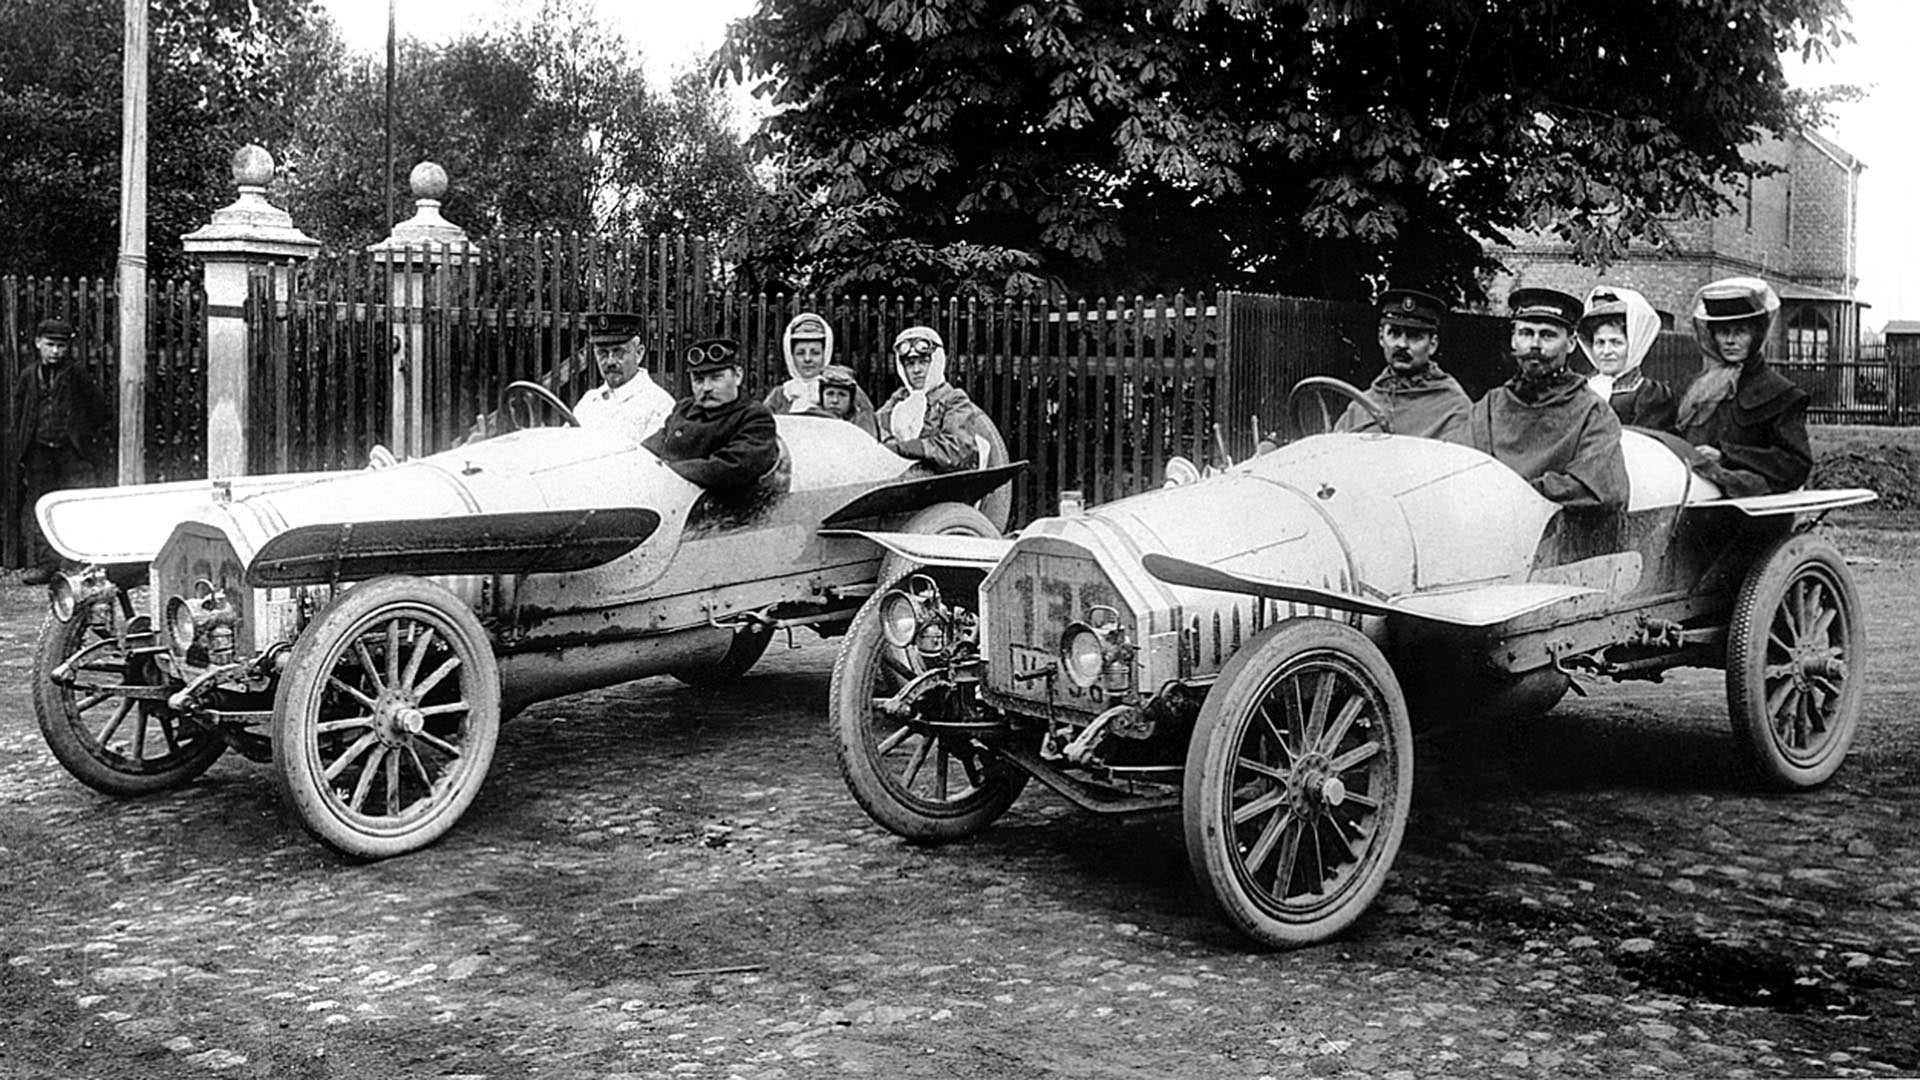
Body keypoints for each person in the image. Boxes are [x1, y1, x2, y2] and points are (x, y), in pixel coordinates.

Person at [1459, 287, 1629, 510]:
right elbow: (1462, 471)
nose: (1535, 345)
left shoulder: (1592, 411)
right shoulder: (1490, 406)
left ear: (1570, 343)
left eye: (1548, 335)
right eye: (1526, 333)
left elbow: (1598, 488)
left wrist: (1514, 492)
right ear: (1513, 339)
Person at [1672, 277, 1811, 496]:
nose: (1730, 340)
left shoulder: (1781, 393)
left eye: (1741, 331)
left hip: (1750, 507)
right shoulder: (1693, 388)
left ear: (1756, 335)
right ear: (1712, 335)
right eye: (1723, 331)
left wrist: (1725, 456)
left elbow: (1795, 464)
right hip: (1690, 495)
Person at [10, 318, 107, 584]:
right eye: (50, 345)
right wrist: (24, 448)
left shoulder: (78, 375)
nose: (55, 351)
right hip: (39, 452)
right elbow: (19, 413)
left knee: (77, 505)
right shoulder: (29, 376)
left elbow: (99, 410)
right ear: (38, 344)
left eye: (61, 346)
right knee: (42, 505)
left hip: (73, 453)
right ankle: (47, 565)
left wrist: (82, 437)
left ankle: (79, 565)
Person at [642, 337, 780, 492]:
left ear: (738, 376)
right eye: (699, 380)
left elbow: (733, 466)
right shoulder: (684, 409)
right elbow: (649, 451)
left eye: (716, 378)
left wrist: (667, 470)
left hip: (725, 509)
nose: (706, 387)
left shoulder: (755, 417)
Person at [1333, 287, 1471, 439]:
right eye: (1394, 333)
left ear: (1432, 345)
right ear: (1381, 337)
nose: (1402, 344)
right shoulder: (1361, 406)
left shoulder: (1452, 406)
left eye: (1415, 336)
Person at [876, 326, 986, 472]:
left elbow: (959, 449)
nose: (916, 370)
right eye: (910, 363)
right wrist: (889, 443)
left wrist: (912, 448)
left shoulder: (953, 400)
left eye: (923, 362)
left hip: (940, 482)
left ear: (936, 362)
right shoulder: (899, 400)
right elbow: (876, 426)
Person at [1577, 285, 1676, 431]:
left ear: (1634, 345)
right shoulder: (1581, 389)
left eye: (1616, 343)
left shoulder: (1650, 394)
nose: (1606, 351)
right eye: (1600, 343)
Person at [764, 312, 878, 433]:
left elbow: (866, 436)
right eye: (800, 353)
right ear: (791, 356)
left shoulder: (845, 388)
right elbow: (761, 432)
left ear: (826, 353)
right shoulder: (781, 395)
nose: (807, 359)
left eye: (815, 353)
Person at [573, 311, 674, 438]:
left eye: (619, 352)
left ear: (638, 353)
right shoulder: (588, 403)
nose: (610, 362)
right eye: (602, 353)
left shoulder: (658, 404)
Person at [816, 364, 879, 437]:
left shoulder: (859, 426)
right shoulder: (813, 421)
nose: (835, 400)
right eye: (830, 393)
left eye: (842, 395)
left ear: (851, 400)